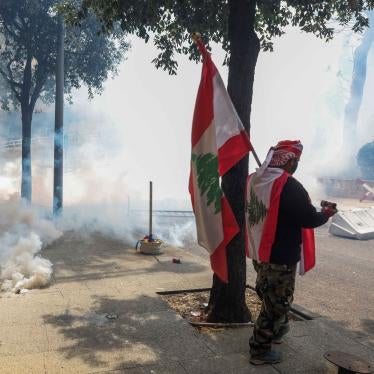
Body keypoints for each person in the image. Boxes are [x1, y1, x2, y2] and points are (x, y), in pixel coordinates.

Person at [245, 140, 337, 365]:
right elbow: (307, 218)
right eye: (296, 161)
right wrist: (326, 213)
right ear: (290, 161)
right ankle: (259, 349)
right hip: (280, 256)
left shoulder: (255, 179)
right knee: (276, 303)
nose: (297, 165)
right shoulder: (288, 185)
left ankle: (278, 330)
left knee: (268, 292)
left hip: (261, 252)